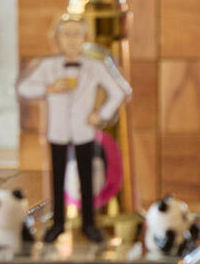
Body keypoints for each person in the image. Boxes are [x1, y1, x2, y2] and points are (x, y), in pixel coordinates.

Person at [17, 18, 133, 243]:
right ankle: (58, 223)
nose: (71, 40)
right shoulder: (48, 66)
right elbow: (24, 87)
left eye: (76, 35)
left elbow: (119, 91)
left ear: (84, 38)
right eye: (66, 35)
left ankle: (90, 224)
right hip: (57, 131)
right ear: (57, 39)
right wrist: (47, 88)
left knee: (86, 177)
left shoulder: (95, 66)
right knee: (57, 178)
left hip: (83, 130)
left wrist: (100, 115)